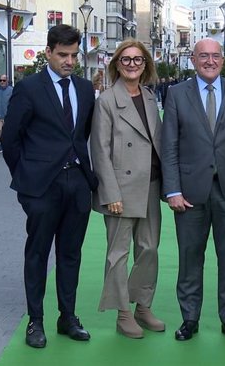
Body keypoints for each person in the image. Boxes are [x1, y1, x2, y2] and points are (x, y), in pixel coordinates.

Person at [0, 24, 99, 349]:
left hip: (78, 184)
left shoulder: (85, 90)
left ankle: (67, 317)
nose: (69, 61)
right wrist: (28, 182)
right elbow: (11, 139)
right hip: (42, 188)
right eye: (63, 55)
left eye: (74, 55)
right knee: (38, 253)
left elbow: (81, 135)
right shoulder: (29, 88)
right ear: (48, 53)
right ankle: (35, 321)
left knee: (71, 254)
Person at [161, 38, 225, 342]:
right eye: (203, 56)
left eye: (215, 55)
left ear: (223, 59)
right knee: (190, 257)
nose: (210, 61)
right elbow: (170, 147)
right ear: (193, 59)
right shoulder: (176, 94)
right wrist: (172, 190)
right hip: (189, 193)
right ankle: (189, 318)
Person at [90, 39, 165, 339]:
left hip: (150, 185)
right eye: (126, 60)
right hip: (121, 188)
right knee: (118, 253)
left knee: (149, 249)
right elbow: (100, 150)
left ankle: (142, 306)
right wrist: (111, 194)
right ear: (116, 65)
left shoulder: (148, 97)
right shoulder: (107, 100)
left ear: (145, 64)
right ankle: (123, 314)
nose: (132, 64)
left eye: (138, 60)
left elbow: (156, 142)